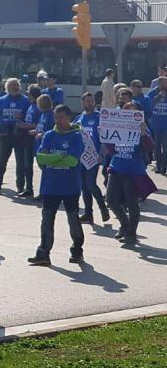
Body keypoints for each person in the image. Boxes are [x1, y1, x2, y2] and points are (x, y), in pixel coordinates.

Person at [28, 105, 86, 266]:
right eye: (56, 117)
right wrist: (60, 155)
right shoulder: (49, 135)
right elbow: (40, 158)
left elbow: (72, 160)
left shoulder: (76, 136)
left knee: (73, 219)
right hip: (50, 186)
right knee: (46, 220)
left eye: (61, 117)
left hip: (70, 186)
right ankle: (43, 253)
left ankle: (77, 251)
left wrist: (51, 158)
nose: (58, 120)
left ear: (69, 117)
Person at [104, 102, 149, 245]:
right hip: (117, 167)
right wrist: (105, 133)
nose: (130, 115)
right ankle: (125, 223)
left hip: (133, 170)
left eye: (133, 112)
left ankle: (131, 233)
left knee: (131, 203)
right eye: (127, 112)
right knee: (111, 199)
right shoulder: (116, 126)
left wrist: (143, 134)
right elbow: (111, 149)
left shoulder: (143, 128)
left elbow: (149, 147)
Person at [75, 92, 110, 223]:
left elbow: (105, 136)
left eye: (91, 101)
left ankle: (103, 208)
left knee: (91, 184)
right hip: (81, 157)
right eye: (87, 101)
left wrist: (102, 154)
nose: (89, 104)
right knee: (84, 186)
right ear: (82, 102)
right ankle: (88, 213)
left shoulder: (99, 117)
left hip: (94, 156)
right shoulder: (79, 118)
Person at [0, 78, 32, 193]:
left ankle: (20, 186)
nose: (15, 87)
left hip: (20, 134)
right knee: (1, 163)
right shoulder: (1, 101)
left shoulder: (25, 101)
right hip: (5, 134)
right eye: (12, 85)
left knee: (20, 163)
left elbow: (29, 117)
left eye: (16, 85)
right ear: (7, 87)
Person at [151, 77, 167, 174]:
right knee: (156, 146)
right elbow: (149, 105)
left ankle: (164, 166)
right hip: (156, 124)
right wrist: (158, 97)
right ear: (160, 84)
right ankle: (158, 164)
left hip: (166, 125)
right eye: (165, 83)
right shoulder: (153, 92)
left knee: (165, 146)